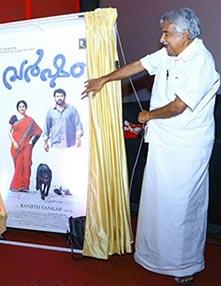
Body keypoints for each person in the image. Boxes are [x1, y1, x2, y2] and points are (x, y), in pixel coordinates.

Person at [82, 8, 220, 285]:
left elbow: (180, 106)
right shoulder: (172, 54)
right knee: (158, 202)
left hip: (186, 147)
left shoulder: (200, 62)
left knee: (181, 207)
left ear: (186, 34)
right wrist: (105, 79)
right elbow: (139, 65)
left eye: (167, 33)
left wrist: (147, 115)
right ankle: (154, 257)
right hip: (163, 143)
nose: (161, 39)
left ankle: (184, 266)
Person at [8, 100, 42, 192]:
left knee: (27, 164)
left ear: (26, 108)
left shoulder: (30, 120)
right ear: (17, 108)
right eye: (20, 107)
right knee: (18, 165)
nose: (22, 108)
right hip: (16, 146)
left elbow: (37, 131)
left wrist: (31, 141)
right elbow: (8, 131)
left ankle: (24, 186)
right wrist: (14, 142)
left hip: (26, 146)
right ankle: (16, 186)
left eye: (23, 106)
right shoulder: (14, 118)